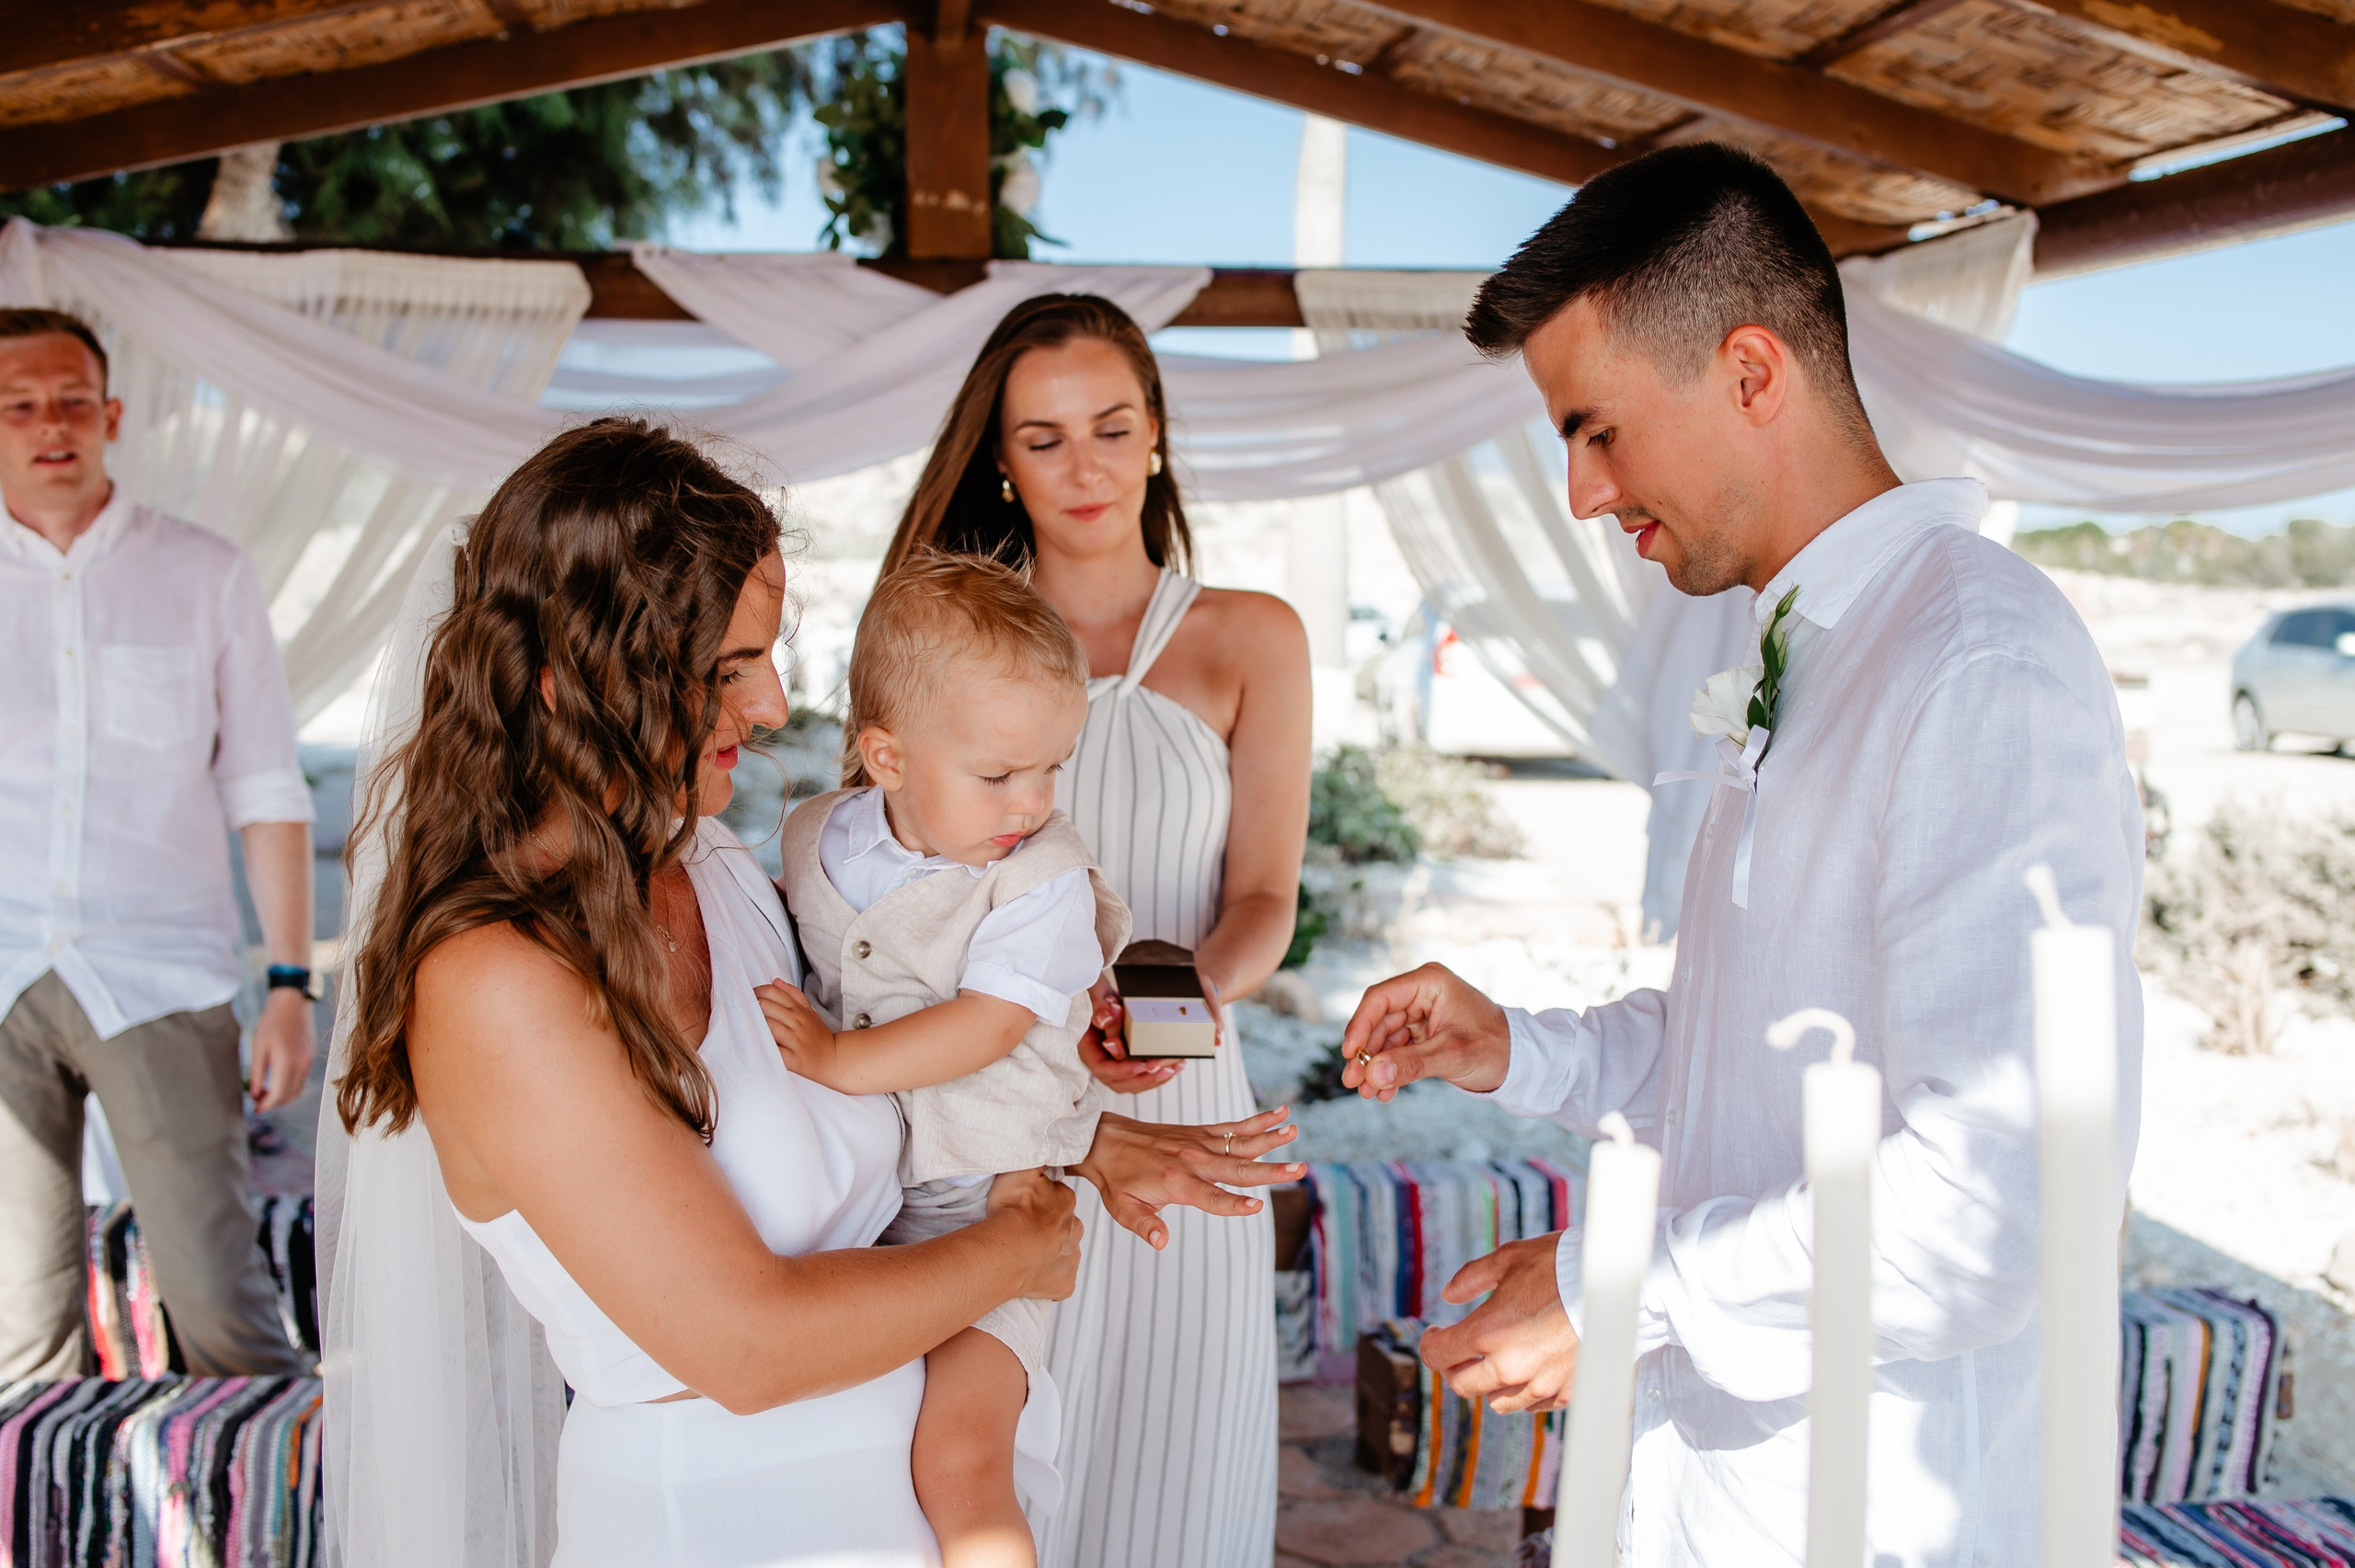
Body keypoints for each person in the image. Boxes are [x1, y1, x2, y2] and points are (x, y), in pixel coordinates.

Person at [1338, 143, 2143, 1568]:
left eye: (1596, 430)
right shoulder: (1803, 644)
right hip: (1718, 1492)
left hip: (1882, 1513)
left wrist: (1617, 1283)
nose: (1583, 495)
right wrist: (1518, 1048)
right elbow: (1767, 1045)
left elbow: (1991, 1200)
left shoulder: (1975, 664)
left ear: (1753, 373)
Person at [326, 417, 1303, 1567]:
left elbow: (872, 1077)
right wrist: (1017, 1249)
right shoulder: (496, 980)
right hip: (728, 1524)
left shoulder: (722, 873)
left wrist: (1081, 1137)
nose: (779, 703)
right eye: (729, 668)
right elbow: (744, 1346)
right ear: (573, 680)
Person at [883, 294, 1312, 1568]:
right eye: (1046, 438)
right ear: (1001, 463)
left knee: (1180, 1482)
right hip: (1000, 1105)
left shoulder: (1253, 638)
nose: (1087, 468)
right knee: (998, 1489)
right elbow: (905, 896)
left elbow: (1264, 900)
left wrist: (1172, 1006)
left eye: (1113, 428)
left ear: (1159, 438)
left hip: (1186, 1084)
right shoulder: (947, 641)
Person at [759, 551, 1134, 1568]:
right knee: (849, 1457)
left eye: (1053, 766)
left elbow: (991, 1024)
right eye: (1001, 773)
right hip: (857, 1206)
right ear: (886, 759)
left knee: (960, 1461)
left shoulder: (1042, 877)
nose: (1033, 801)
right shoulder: (811, 840)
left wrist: (840, 1057)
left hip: (991, 1200)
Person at [0, 306, 316, 1380]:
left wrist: (287, 984)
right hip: (0, 974)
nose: (51, 424)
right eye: (20, 405)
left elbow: (266, 787)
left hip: (159, 977)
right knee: (15, 1332)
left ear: (113, 416)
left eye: (72, 401)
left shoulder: (206, 573)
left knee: (219, 1303)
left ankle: (276, 1529)